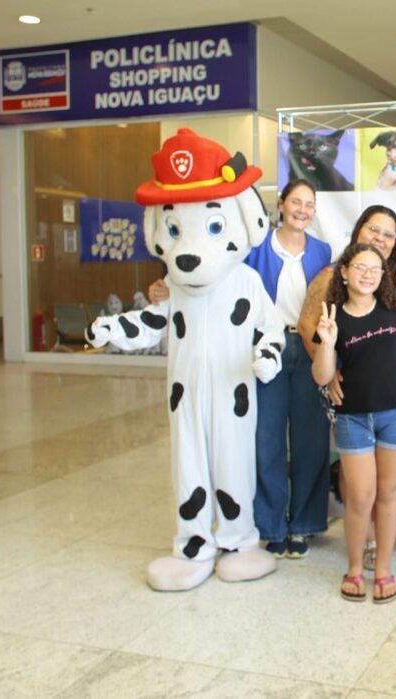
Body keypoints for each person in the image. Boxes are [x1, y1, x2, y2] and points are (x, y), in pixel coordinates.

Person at [150, 178, 332, 559]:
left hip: (309, 350)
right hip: (262, 350)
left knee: (310, 441)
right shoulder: (252, 247)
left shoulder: (323, 251)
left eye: (309, 204)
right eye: (296, 202)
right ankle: (270, 525)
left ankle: (303, 525)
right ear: (280, 205)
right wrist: (166, 287)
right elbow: (214, 277)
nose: (302, 210)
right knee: (264, 440)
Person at [297, 205, 396, 567]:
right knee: (361, 470)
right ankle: (367, 542)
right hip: (353, 389)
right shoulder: (332, 275)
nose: (380, 238)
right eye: (374, 230)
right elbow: (309, 326)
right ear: (358, 231)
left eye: (389, 234)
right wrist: (331, 372)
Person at [312, 242, 396, 604]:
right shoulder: (332, 318)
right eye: (360, 267)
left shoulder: (394, 308)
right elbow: (322, 376)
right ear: (344, 272)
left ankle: (382, 569)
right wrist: (328, 343)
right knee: (361, 497)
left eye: (375, 269)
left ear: (382, 277)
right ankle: (353, 568)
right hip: (353, 418)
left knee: (389, 493)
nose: (367, 274)